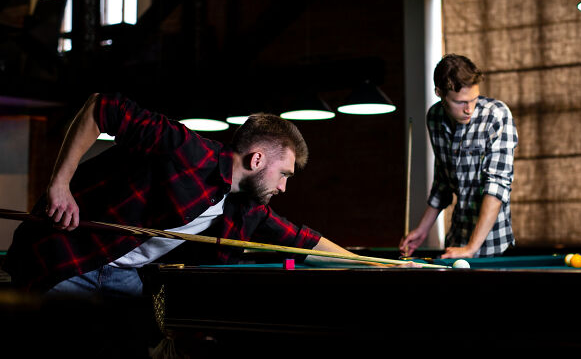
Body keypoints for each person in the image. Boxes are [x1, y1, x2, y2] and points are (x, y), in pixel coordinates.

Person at [3, 92, 361, 297]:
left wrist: (377, 267)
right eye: (284, 174)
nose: (283, 186)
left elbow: (303, 241)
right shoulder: (185, 148)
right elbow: (101, 108)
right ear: (257, 159)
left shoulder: (246, 209)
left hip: (126, 281)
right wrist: (60, 184)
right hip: (66, 258)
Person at [400, 54, 518, 259]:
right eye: (460, 102)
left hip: (494, 248)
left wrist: (471, 248)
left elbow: (497, 185)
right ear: (439, 93)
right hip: (456, 243)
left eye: (474, 100)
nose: (469, 109)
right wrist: (422, 230)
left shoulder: (497, 116)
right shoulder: (434, 117)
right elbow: (443, 182)